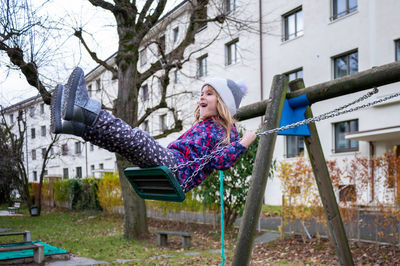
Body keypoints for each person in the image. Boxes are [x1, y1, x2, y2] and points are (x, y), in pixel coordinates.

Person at [51, 67, 256, 192]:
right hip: (172, 164)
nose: (202, 97)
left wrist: (243, 143)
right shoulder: (205, 126)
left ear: (223, 104)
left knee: (138, 139)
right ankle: (75, 126)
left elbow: (221, 161)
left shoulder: (225, 131)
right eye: (202, 93)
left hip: (177, 170)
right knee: (124, 144)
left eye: (209, 93)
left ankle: (85, 108)